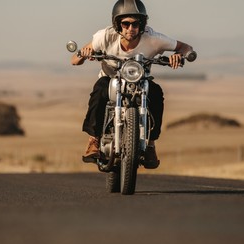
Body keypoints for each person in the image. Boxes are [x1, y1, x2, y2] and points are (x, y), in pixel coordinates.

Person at [71, 0, 194, 169]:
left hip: (140, 81)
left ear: (142, 24)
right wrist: (83, 54)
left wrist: (178, 55)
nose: (131, 28)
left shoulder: (153, 38)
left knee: (156, 94)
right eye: (126, 23)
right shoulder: (105, 36)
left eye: (136, 23)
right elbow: (75, 60)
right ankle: (93, 140)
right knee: (99, 89)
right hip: (110, 79)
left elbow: (186, 47)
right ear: (117, 24)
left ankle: (150, 144)